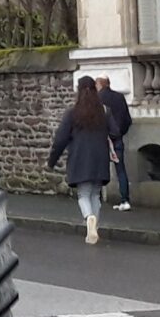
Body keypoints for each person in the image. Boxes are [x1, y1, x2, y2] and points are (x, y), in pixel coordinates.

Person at [49, 75, 117, 246]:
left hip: (80, 159)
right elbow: (115, 131)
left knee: (83, 194)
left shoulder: (72, 113)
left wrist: (52, 160)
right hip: (100, 158)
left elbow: (60, 140)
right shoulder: (104, 111)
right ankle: (94, 227)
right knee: (95, 194)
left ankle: (89, 219)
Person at [98, 76, 135, 209]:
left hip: (101, 140)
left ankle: (97, 199)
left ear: (99, 84)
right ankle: (125, 200)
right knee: (121, 170)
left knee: (99, 169)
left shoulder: (97, 99)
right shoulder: (119, 97)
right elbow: (128, 120)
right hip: (117, 138)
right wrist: (119, 133)